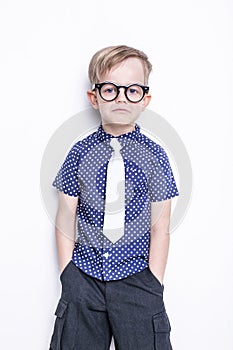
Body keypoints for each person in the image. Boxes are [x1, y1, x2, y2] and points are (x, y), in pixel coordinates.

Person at [49, 45, 179, 350]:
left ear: (145, 99)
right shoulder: (79, 152)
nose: (121, 97)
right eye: (110, 89)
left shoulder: (155, 156)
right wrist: (69, 273)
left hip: (137, 280)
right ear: (94, 97)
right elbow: (66, 215)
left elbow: (161, 225)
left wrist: (154, 281)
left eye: (132, 90)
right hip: (85, 279)